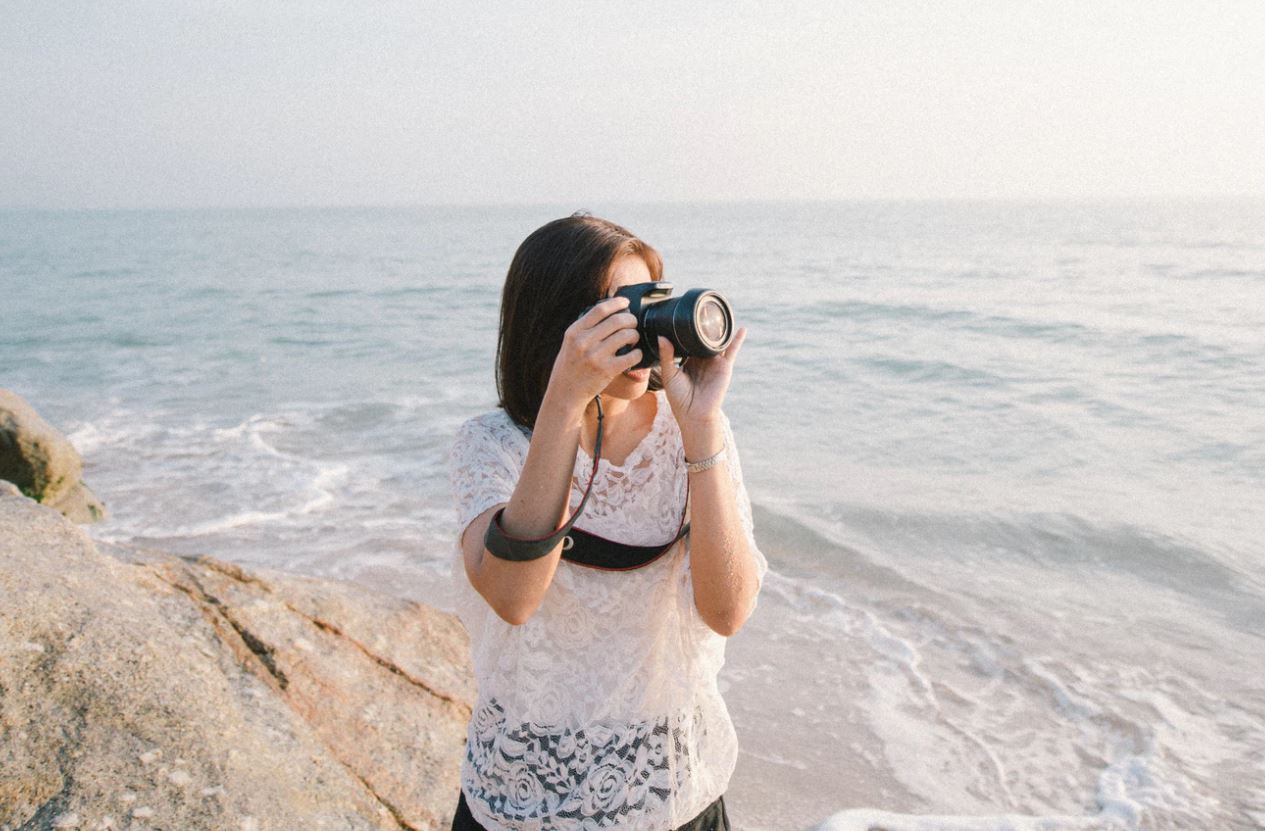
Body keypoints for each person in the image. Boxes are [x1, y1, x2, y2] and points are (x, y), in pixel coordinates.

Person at [447, 214, 767, 831]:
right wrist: (564, 400)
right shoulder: (490, 445)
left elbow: (727, 612)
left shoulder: (690, 435)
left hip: (672, 792)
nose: (645, 330)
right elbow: (514, 597)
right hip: (523, 793)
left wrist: (702, 430)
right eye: (622, 310)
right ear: (558, 325)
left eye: (652, 302)